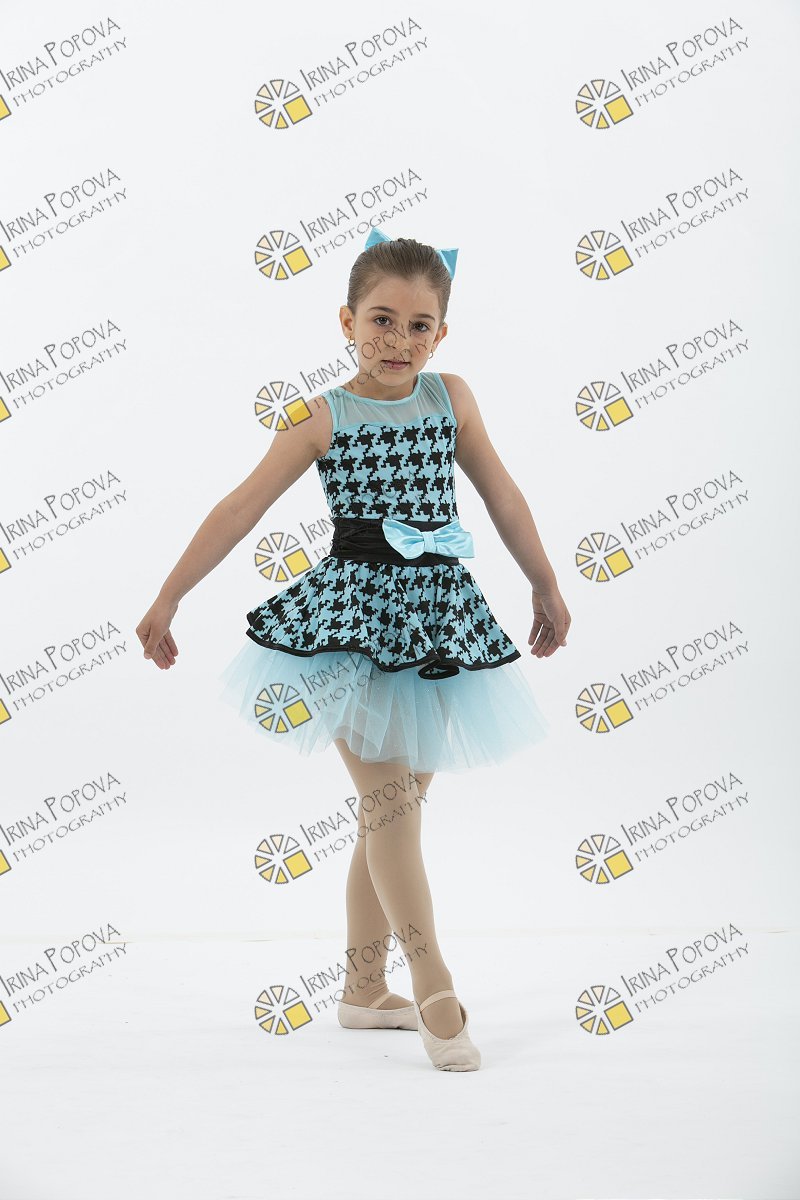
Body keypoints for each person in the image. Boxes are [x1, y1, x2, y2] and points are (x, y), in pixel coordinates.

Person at [136, 228, 571, 1072]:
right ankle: (435, 984)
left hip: (436, 622)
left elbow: (504, 496)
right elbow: (239, 507)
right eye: (381, 319)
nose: (398, 340)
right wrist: (169, 594)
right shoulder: (322, 415)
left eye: (419, 325)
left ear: (441, 333)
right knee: (392, 810)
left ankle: (365, 990)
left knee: (391, 812)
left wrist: (544, 582)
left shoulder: (452, 398)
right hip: (351, 627)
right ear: (346, 320)